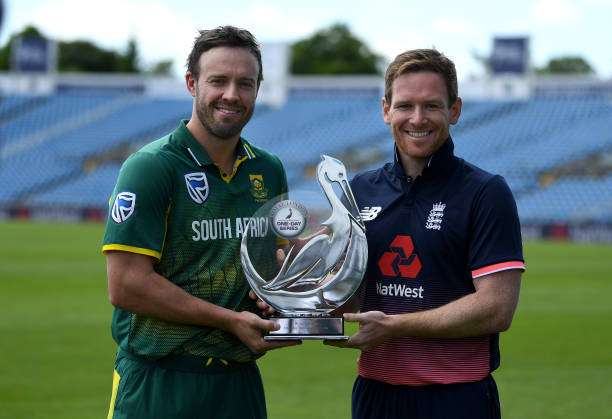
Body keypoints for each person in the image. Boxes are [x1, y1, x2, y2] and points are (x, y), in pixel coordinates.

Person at [102, 26, 297, 419]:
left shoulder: (268, 169)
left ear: (258, 88)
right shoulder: (152, 167)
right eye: (218, 81)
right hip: (160, 382)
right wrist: (230, 321)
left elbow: (271, 268)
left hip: (238, 383)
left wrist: (279, 298)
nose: (232, 95)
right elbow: (126, 285)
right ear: (192, 83)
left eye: (245, 83)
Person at [328, 49, 525, 419]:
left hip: (456, 396)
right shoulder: (358, 191)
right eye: (405, 106)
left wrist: (394, 327)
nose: (417, 118)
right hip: (375, 395)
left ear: (455, 110)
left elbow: (497, 309)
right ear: (386, 110)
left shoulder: (485, 192)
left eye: (431, 106)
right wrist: (297, 287)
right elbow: (344, 298)